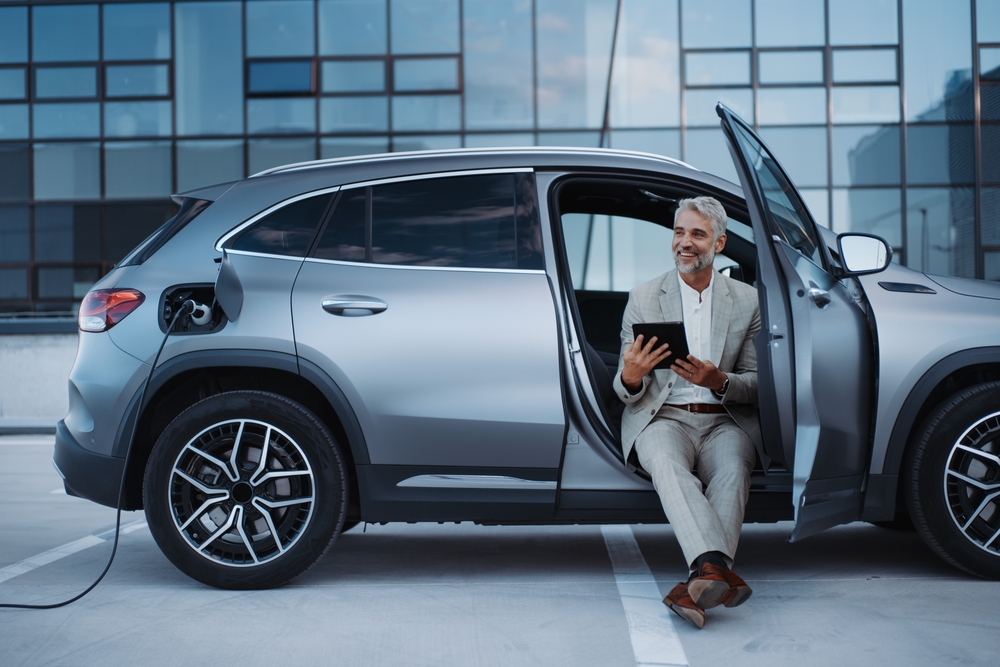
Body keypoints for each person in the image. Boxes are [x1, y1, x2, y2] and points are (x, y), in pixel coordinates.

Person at [612, 196, 766, 629]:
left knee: (735, 469)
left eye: (697, 234)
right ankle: (714, 572)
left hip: (724, 420)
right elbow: (624, 390)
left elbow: (756, 386)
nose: (685, 242)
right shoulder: (643, 298)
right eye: (679, 232)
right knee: (665, 463)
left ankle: (697, 582)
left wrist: (719, 381)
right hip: (661, 417)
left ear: (718, 244)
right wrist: (631, 377)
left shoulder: (748, 301)